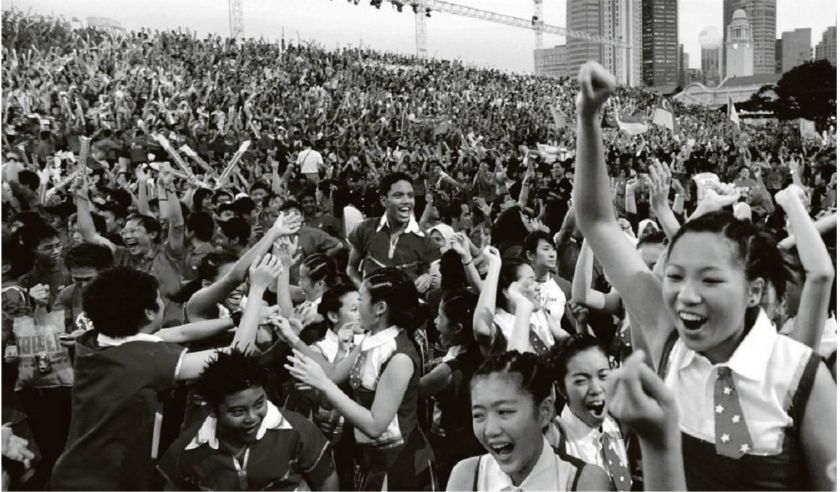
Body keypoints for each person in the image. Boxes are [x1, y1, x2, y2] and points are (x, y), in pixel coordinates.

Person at [573, 61, 836, 490]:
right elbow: (598, 222)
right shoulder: (666, 336)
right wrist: (588, 118)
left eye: (710, 280)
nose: (684, 296)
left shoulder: (802, 377)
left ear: (753, 291)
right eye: (675, 276)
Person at [50, 254, 282, 490]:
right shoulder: (146, 361)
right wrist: (257, 290)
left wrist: (235, 319)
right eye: (158, 299)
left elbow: (178, 334)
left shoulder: (92, 341)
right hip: (104, 482)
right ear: (149, 312)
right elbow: (237, 354)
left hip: (74, 471)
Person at [286, 267, 437, 491]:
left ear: (380, 308)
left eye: (360, 300)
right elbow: (334, 374)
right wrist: (292, 339)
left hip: (400, 461)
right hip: (372, 456)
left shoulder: (400, 357)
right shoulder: (370, 338)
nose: (357, 310)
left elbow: (375, 425)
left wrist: (323, 385)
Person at [157, 349, 339, 491]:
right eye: (238, 412)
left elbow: (326, 482)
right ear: (211, 410)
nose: (252, 418)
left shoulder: (299, 432)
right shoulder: (187, 450)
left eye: (259, 403)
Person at [446, 351, 611, 491]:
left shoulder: (586, 482)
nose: (490, 430)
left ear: (544, 412)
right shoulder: (467, 477)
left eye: (504, 412)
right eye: (479, 415)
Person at [546, 335, 631, 491]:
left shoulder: (616, 423)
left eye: (603, 376)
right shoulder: (554, 440)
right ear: (561, 388)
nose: (597, 389)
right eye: (581, 381)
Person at [420, 289, 485, 485]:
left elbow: (412, 390)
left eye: (440, 317)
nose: (435, 323)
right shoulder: (476, 355)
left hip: (450, 449)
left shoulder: (448, 372)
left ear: (457, 328)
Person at [347, 172, 439, 295]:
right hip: (371, 309)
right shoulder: (365, 229)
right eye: (398, 196)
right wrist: (363, 291)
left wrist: (428, 278)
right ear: (384, 201)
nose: (406, 201)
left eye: (410, 196)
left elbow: (435, 275)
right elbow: (351, 268)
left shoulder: (425, 239)